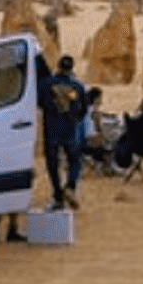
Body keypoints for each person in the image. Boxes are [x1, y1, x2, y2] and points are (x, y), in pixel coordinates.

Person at [38, 53, 88, 210]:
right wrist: (72, 117)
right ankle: (70, 188)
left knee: (53, 164)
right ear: (72, 68)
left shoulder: (46, 84)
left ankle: (58, 194)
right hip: (70, 131)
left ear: (58, 66)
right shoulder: (78, 86)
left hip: (51, 130)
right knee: (75, 161)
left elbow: (40, 103)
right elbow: (84, 110)